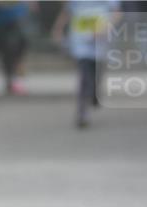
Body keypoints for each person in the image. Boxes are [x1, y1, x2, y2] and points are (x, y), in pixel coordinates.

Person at [52, 0, 122, 128]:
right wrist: (58, 28)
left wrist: (105, 28)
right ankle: (82, 113)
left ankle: (94, 92)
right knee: (84, 76)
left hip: (101, 38)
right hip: (80, 38)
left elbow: (116, 13)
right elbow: (67, 11)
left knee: (97, 72)